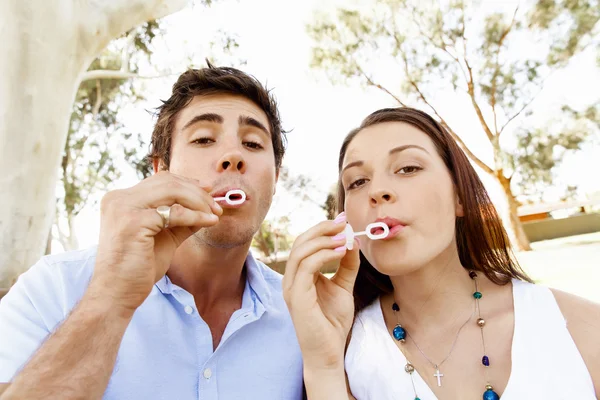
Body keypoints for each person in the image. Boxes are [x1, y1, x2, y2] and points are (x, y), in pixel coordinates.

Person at [0, 63, 304, 399]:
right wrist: (111, 296)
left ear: (275, 176)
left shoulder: (304, 314)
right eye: (204, 139)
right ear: (161, 169)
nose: (233, 155)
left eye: (252, 143)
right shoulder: (52, 289)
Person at [283, 107, 600, 399]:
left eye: (407, 168)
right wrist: (323, 366)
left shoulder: (582, 328)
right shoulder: (343, 354)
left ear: (460, 196)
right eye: (357, 181)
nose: (376, 191)